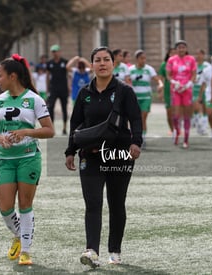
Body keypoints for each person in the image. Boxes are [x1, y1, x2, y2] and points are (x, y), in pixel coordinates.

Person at [65, 46, 142, 269]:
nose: (102, 63)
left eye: (106, 59)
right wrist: (70, 150)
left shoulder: (124, 91)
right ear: (91, 65)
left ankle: (115, 251)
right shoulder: (84, 93)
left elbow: (135, 119)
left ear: (113, 63)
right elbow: (75, 123)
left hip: (119, 155)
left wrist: (136, 142)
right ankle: (91, 251)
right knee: (93, 203)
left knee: (116, 203)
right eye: (97, 60)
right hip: (90, 156)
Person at [0, 53, 54, 265]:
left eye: (0, 76)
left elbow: (49, 131)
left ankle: (25, 251)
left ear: (13, 76)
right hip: (5, 160)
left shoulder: (34, 99)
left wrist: (27, 132)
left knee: (25, 204)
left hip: (28, 158)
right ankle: (19, 233)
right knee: (5, 207)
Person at [129, 50, 163, 147]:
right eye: (141, 58)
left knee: (143, 117)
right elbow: (126, 80)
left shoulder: (149, 69)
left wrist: (160, 85)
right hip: (135, 98)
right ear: (137, 59)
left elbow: (157, 79)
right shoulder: (131, 69)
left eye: (145, 58)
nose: (144, 60)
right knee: (135, 118)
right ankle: (134, 137)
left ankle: (142, 138)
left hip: (146, 97)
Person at [167, 40, 197, 148]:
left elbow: (194, 74)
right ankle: (177, 131)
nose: (181, 49)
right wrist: (174, 82)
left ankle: (186, 140)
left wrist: (189, 83)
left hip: (187, 90)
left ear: (186, 49)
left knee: (187, 115)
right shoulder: (171, 60)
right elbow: (168, 75)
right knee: (176, 114)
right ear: (176, 49)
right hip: (176, 90)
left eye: (183, 47)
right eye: (179, 47)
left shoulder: (191, 59)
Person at [46, 44, 69, 135]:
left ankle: (64, 127)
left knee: (64, 108)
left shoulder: (64, 62)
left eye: (56, 51)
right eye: (53, 52)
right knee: (50, 108)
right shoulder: (49, 63)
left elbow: (68, 75)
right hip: (53, 89)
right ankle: (52, 127)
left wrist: (69, 86)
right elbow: (47, 76)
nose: (54, 53)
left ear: (59, 52)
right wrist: (47, 88)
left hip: (63, 88)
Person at [158, 48, 177, 135]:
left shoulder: (180, 64)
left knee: (177, 112)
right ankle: (172, 130)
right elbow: (160, 78)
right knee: (169, 113)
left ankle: (177, 129)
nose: (173, 55)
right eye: (171, 53)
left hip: (178, 91)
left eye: (175, 53)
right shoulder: (164, 65)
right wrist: (161, 91)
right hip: (168, 91)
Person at [192, 49, 210, 135]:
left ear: (203, 55)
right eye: (197, 54)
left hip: (205, 88)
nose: (198, 56)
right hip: (195, 89)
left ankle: (204, 126)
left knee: (205, 108)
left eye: (199, 54)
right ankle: (198, 123)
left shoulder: (207, 66)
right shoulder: (194, 65)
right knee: (196, 107)